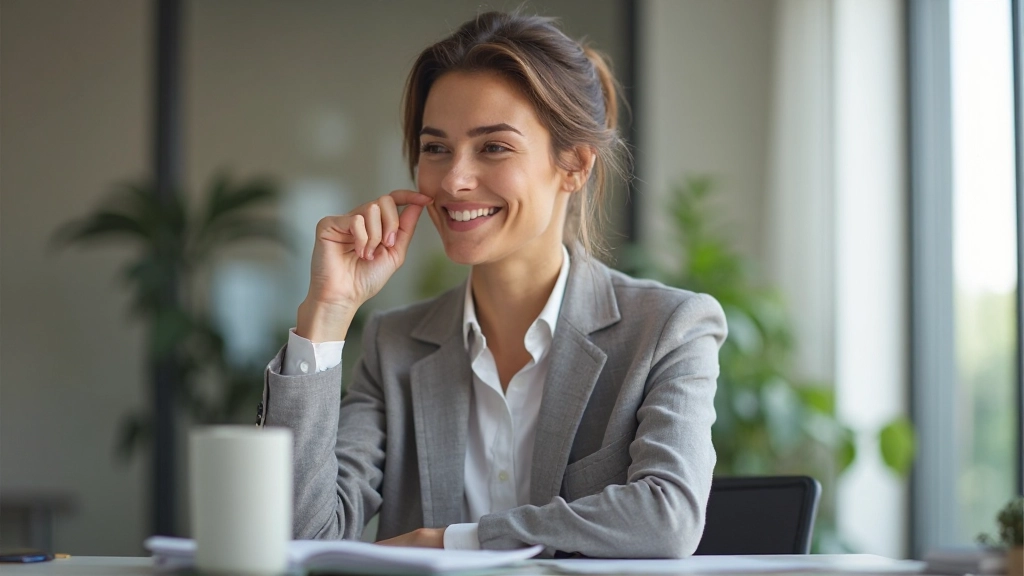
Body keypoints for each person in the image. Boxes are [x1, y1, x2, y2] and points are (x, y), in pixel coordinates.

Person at [257, 11, 727, 558]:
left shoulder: (668, 329)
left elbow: (667, 517)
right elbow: (300, 539)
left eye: (493, 147)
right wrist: (327, 312)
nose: (454, 179)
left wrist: (464, 541)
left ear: (573, 165)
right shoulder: (395, 346)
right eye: (435, 148)